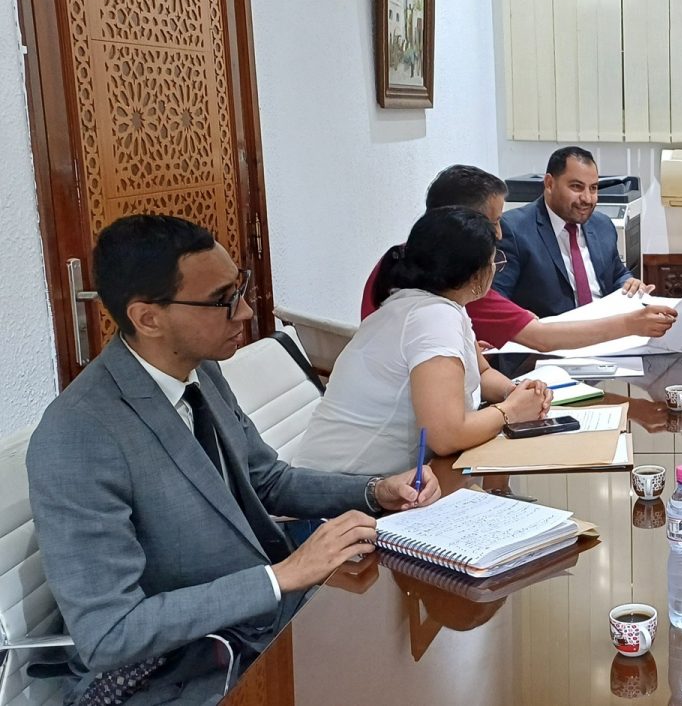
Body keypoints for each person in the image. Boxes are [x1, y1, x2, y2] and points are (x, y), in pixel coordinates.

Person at [26, 215, 440, 703]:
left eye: (239, 288)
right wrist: (282, 576)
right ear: (148, 318)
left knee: (412, 648)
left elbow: (266, 480)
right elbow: (111, 632)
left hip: (262, 624)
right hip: (184, 668)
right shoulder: (79, 434)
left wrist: (375, 490)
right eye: (222, 300)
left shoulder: (200, 371)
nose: (244, 311)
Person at [302, 208, 552, 474]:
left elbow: (482, 373)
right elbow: (445, 436)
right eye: (494, 262)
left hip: (380, 479)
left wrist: (514, 392)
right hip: (341, 485)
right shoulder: (433, 318)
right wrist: (510, 411)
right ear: (475, 275)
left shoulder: (439, 304)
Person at [361, 164, 675, 352]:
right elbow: (541, 338)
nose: (499, 234)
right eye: (494, 222)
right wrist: (631, 324)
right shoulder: (454, 279)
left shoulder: (397, 257)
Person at [495, 146, 650, 317]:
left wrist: (628, 283)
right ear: (549, 184)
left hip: (606, 326)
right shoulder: (514, 229)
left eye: (593, 188)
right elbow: (497, 300)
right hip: (552, 331)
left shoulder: (602, 225)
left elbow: (617, 274)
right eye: (577, 187)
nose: (587, 198)